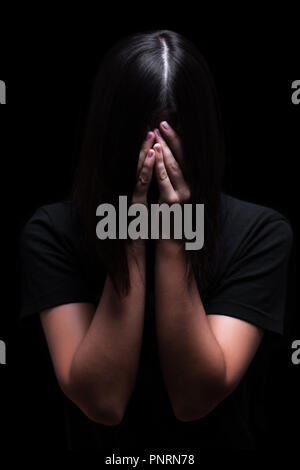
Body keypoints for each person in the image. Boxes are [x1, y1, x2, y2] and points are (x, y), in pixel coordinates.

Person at [19, 29, 293, 452]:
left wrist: (172, 236)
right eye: (142, 144)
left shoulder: (260, 234)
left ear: (200, 143)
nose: (155, 159)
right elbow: (103, 401)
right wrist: (128, 234)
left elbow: (194, 398)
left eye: (169, 144)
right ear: (108, 141)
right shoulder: (52, 233)